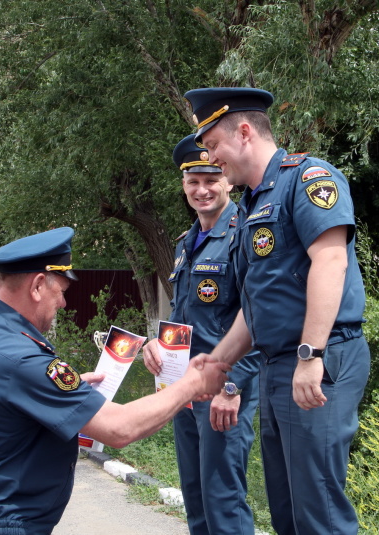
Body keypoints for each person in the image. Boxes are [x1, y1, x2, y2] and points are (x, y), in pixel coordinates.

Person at [0, 227, 230, 535]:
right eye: (62, 293)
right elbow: (119, 429)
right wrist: (192, 383)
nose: (64, 305)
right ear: (38, 286)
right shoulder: (22, 359)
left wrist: (55, 392)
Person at [183, 87, 371, 535]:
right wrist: (218, 360)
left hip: (319, 360)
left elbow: (331, 261)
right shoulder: (253, 202)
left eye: (213, 146)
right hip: (277, 365)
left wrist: (310, 354)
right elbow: (257, 302)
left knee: (318, 511)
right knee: (287, 510)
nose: (213, 159)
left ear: (244, 132)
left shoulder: (307, 178)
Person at [141, 135, 260, 535]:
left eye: (211, 179)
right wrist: (155, 345)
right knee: (195, 495)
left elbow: (260, 314)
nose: (202, 190)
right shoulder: (185, 243)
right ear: (183, 185)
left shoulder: (245, 234)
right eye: (193, 181)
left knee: (223, 498)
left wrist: (235, 384)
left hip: (224, 389)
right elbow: (183, 315)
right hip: (185, 386)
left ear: (227, 180)